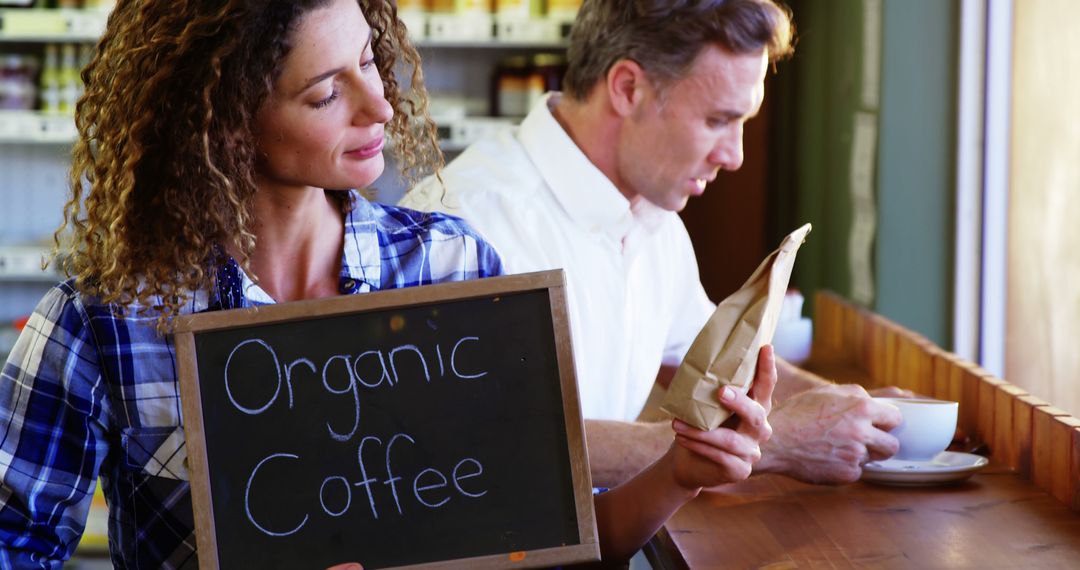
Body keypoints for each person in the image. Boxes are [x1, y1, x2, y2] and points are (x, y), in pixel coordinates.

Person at [0, 0, 775, 568]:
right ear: (226, 123)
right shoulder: (101, 324)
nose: (381, 104)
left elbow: (550, 547)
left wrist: (678, 473)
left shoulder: (453, 270)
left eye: (370, 59)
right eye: (326, 92)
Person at [401, 0, 906, 487]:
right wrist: (771, 446)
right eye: (717, 120)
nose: (735, 157)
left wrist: (863, 413)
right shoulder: (465, 224)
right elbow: (482, 443)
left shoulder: (652, 213)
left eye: (742, 123)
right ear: (627, 88)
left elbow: (720, 368)